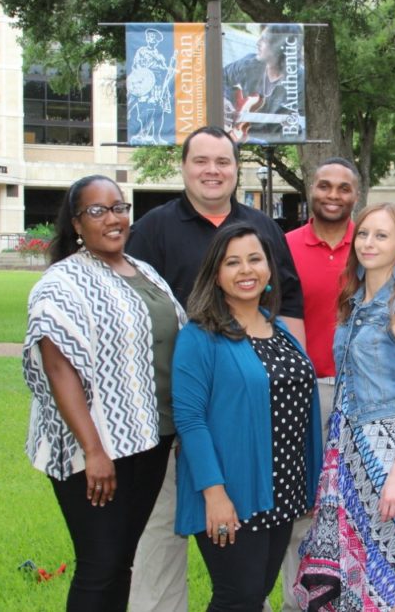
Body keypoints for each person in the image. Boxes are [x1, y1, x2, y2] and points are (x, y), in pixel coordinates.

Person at [126, 126, 305, 612]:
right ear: (183, 166)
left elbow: (290, 301)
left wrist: (289, 372)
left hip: (258, 438)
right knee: (166, 538)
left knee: (249, 588)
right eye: (201, 161)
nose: (212, 170)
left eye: (223, 161)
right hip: (172, 417)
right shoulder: (154, 230)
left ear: (236, 168)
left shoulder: (263, 227)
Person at [22, 175, 186, 611]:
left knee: (121, 561)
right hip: (94, 447)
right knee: (100, 564)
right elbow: (58, 369)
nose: (113, 219)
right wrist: (94, 451)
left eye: (119, 207)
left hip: (150, 439)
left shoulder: (143, 271)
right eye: (97, 211)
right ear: (76, 223)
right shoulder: (62, 282)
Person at [294, 203, 395, 611]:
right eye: (364, 234)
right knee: (354, 572)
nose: (368, 243)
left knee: (394, 573)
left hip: (389, 449)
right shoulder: (352, 304)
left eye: (382, 235)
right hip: (347, 449)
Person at [172, 223, 322, 611]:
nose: (246, 270)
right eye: (232, 262)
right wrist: (215, 494)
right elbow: (190, 420)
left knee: (254, 595)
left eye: (255, 259)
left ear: (269, 268)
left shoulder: (280, 330)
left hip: (283, 488)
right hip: (233, 490)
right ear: (215, 274)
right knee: (237, 596)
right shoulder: (200, 335)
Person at [281, 157, 360, 612]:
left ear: (356, 195)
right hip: (303, 393)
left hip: (361, 396)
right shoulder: (284, 246)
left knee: (354, 506)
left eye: (343, 188)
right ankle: (299, 602)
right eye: (325, 185)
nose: (333, 195)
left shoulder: (371, 243)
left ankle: (353, 599)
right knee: (302, 506)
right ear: (311, 189)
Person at [223, 24, 305, 143]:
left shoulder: (300, 80)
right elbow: (221, 77)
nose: (258, 43)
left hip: (270, 141)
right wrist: (224, 101)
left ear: (279, 46)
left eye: (264, 40)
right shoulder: (248, 63)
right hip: (238, 133)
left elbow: (308, 120)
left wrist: (292, 128)